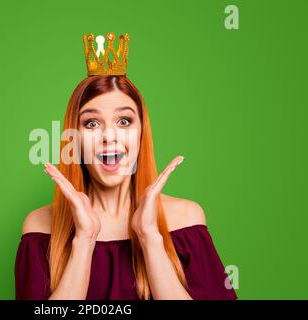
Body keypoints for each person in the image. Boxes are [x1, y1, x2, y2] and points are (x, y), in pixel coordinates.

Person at [15, 32, 237, 300]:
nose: (110, 136)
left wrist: (150, 238)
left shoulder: (186, 220)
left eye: (124, 121)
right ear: (74, 137)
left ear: (142, 133)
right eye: (91, 123)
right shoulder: (40, 228)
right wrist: (84, 240)